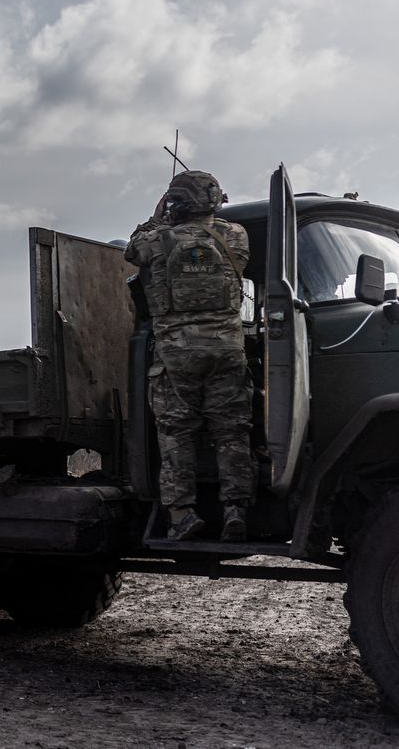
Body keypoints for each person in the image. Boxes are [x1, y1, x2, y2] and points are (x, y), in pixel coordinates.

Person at [125, 170, 254, 542]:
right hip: (227, 350)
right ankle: (235, 511)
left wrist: (157, 215)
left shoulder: (159, 240)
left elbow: (132, 248)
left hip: (177, 355)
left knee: (176, 434)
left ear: (176, 203)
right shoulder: (236, 236)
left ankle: (182, 515)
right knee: (232, 433)